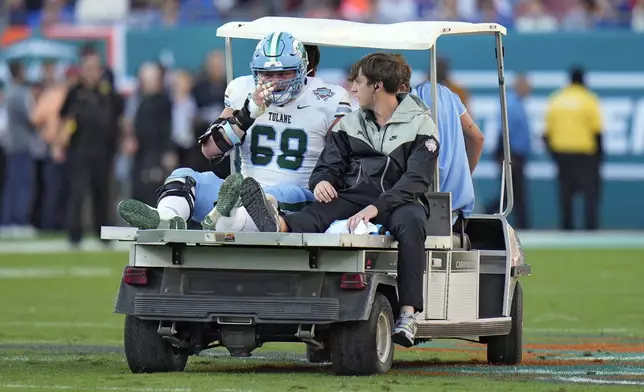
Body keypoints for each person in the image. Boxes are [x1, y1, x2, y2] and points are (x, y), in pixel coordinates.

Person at [239, 53, 439, 348]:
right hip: (354, 196)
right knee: (318, 212)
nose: (352, 88)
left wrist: (377, 207)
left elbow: (415, 181)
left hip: (400, 201)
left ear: (378, 86)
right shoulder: (349, 123)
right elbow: (327, 166)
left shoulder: (422, 124)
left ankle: (408, 315)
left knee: (412, 223)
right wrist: (321, 182)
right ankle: (278, 224)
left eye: (358, 82)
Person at [116, 32, 351, 231]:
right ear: (256, 72)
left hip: (295, 195)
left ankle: (228, 220)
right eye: (268, 74)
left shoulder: (326, 98)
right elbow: (210, 150)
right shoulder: (243, 92)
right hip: (239, 189)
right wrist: (247, 114)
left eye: (284, 73)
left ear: (303, 70)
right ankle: (167, 218)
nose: (275, 81)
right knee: (184, 176)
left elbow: (342, 156)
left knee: (272, 197)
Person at [413, 75, 483, 227]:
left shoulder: (413, 99)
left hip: (421, 206)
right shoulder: (453, 96)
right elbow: (477, 137)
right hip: (457, 208)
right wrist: (464, 174)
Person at [544, 66, 602, 230]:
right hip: (585, 154)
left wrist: (553, 155)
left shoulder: (557, 99)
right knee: (590, 193)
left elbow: (547, 133)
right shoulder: (589, 100)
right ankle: (590, 227)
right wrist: (599, 157)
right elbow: (597, 131)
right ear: (583, 80)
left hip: (562, 153)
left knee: (565, 193)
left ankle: (567, 226)